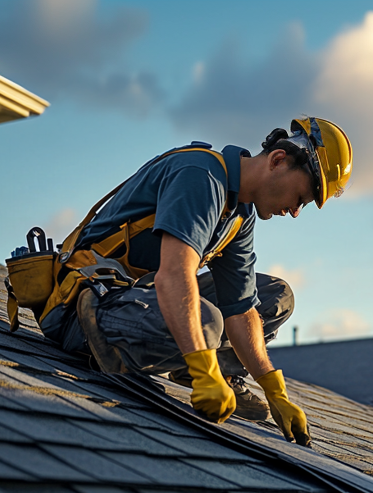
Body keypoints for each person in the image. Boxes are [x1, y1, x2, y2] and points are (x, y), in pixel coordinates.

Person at [37, 116, 351, 447]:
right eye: (301, 198)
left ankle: (206, 366)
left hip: (140, 303)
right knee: (206, 322)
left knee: (275, 297)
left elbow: (241, 309)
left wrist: (275, 391)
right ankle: (193, 361)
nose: (296, 211)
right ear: (277, 160)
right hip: (86, 308)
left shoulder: (238, 214)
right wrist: (204, 368)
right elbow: (174, 274)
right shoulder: (200, 175)